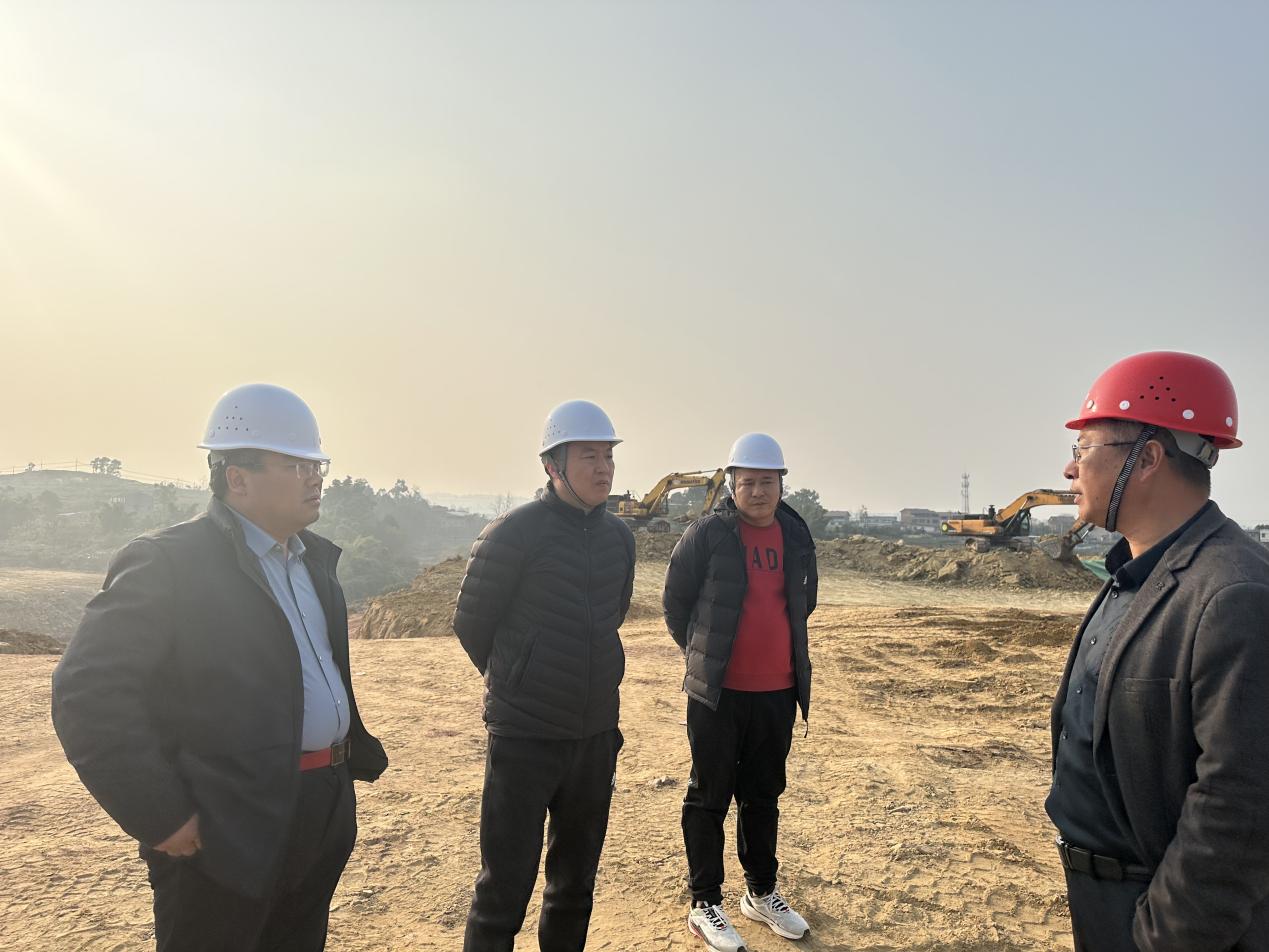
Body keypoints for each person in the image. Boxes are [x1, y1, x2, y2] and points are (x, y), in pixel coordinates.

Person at [51, 383, 388, 952]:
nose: (315, 478)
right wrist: (160, 815)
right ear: (238, 477)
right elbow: (86, 691)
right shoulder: (170, 563)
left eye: (317, 464)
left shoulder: (313, 563)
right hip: (224, 825)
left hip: (318, 805)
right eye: (296, 465)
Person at [1046, 351, 1269, 951]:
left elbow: (1241, 805)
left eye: (1084, 448)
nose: (1069, 468)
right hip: (1104, 897)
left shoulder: (1234, 593)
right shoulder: (1137, 572)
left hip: (1158, 917)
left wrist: (1162, 937)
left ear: (1146, 458)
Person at [453, 398, 635, 951]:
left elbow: (613, 615)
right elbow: (471, 622)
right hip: (524, 737)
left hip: (594, 736)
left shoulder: (619, 538)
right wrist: (519, 680)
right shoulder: (513, 533)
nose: (604, 468)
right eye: (589, 457)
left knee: (574, 887)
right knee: (502, 890)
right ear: (553, 466)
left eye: (608, 456)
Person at [663, 432, 817, 950]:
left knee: (763, 795)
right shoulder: (707, 534)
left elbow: (805, 601)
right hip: (718, 694)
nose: (757, 491)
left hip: (777, 691)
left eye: (767, 481)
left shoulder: (795, 533)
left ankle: (761, 893)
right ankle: (705, 902)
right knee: (709, 796)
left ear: (781, 484)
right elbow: (675, 602)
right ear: (732, 484)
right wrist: (703, 656)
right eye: (747, 481)